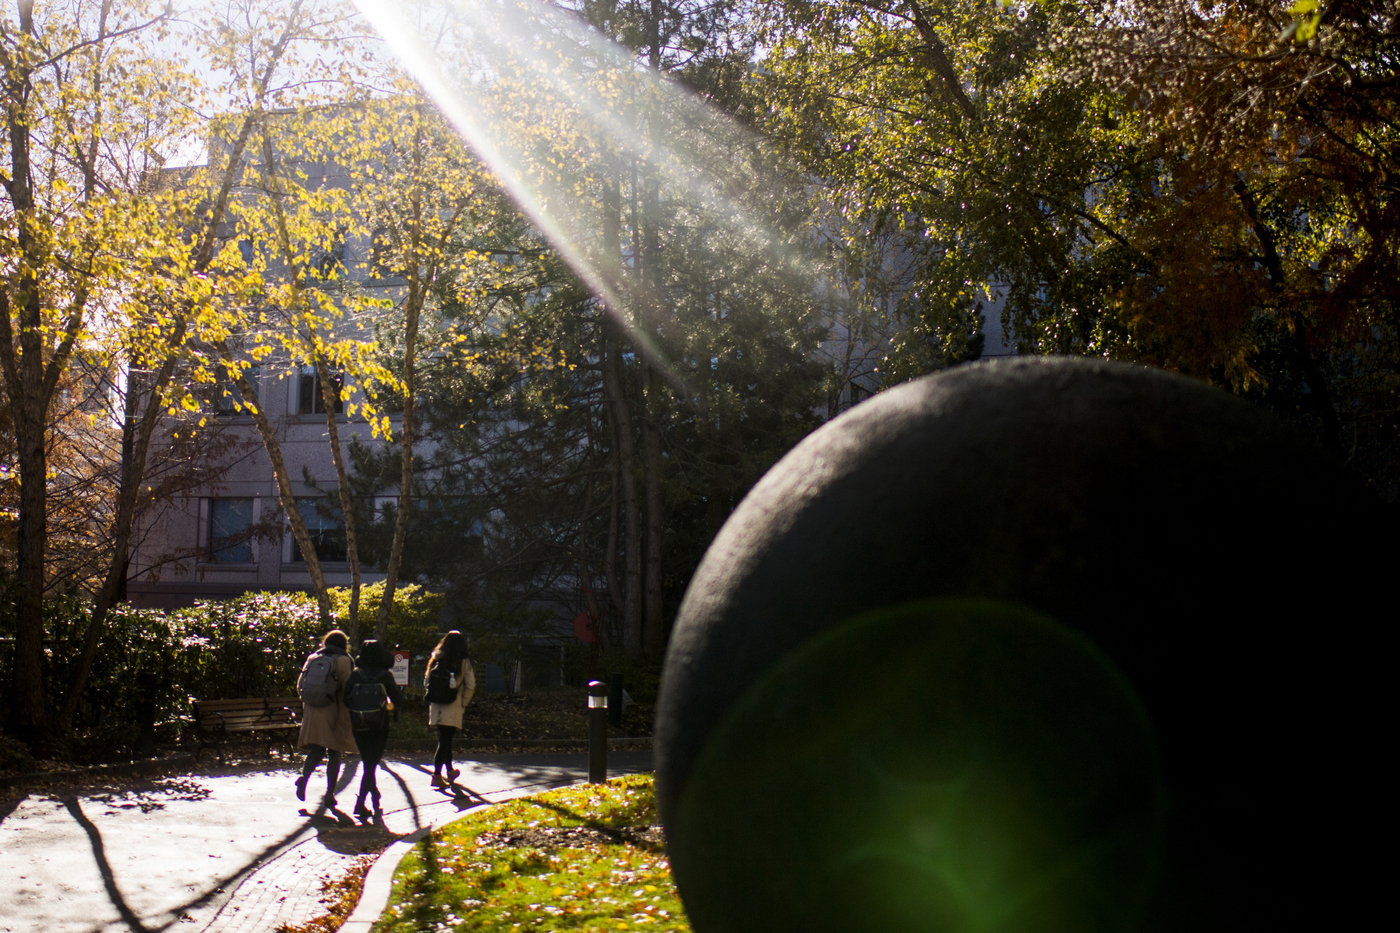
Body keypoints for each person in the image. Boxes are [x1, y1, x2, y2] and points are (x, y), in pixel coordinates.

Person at [295, 629, 357, 809]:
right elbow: (348, 688)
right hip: (334, 711)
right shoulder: (344, 660)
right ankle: (330, 793)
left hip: (313, 712)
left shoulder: (313, 658)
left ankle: (304, 778)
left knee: (316, 751)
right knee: (334, 753)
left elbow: (300, 686)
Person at [343, 639, 403, 819]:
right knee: (371, 764)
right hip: (379, 724)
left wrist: (357, 710)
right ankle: (360, 803)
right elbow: (398, 700)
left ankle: (374, 794)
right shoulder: (385, 675)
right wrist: (388, 708)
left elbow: (346, 699)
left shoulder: (356, 674)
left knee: (368, 762)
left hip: (359, 723)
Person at [425, 630, 475, 787]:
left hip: (436, 705)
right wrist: (463, 703)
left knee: (444, 739)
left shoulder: (436, 659)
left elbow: (427, 681)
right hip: (453, 705)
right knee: (445, 741)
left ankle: (450, 770)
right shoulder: (463, 662)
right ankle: (436, 775)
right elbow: (470, 685)